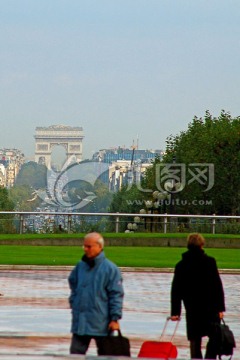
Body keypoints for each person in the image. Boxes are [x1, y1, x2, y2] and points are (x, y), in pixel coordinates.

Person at [170, 233, 225, 359]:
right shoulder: (210, 262)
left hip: (192, 307)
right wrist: (220, 308)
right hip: (210, 307)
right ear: (202, 244)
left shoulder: (181, 265)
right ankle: (210, 357)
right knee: (214, 336)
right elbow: (217, 286)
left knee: (195, 340)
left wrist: (175, 312)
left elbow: (176, 291)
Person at [68, 232, 124, 355]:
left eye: (89, 246)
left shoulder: (110, 269)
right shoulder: (80, 266)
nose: (85, 249)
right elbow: (73, 283)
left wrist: (115, 319)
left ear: (99, 247)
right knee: (75, 355)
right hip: (81, 323)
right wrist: (74, 301)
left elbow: (116, 295)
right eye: (84, 246)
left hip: (102, 324)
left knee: (106, 356)